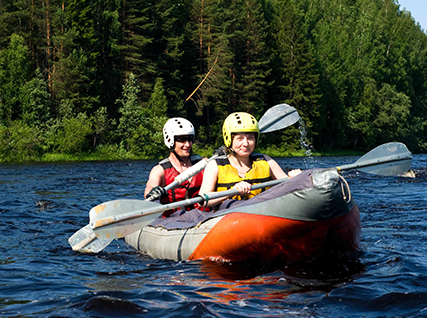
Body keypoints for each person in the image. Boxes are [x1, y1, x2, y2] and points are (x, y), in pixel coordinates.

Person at [198, 112, 301, 208]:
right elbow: (203, 200)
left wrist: (295, 178)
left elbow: (288, 186)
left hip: (262, 214)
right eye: (240, 138)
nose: (246, 143)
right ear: (229, 139)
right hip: (226, 217)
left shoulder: (266, 161)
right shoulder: (215, 165)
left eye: (250, 138)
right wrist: (232, 191)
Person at [145, 117, 208, 216]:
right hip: (174, 222)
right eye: (182, 140)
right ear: (170, 141)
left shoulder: (203, 163)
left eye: (190, 139)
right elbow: (149, 189)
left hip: (203, 217)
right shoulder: (160, 170)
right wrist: (153, 191)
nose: (187, 144)